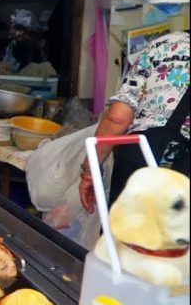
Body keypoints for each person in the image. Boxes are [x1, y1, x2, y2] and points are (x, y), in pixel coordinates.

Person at [80, 31, 189, 212]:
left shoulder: (165, 44)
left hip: (141, 158)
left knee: (125, 236)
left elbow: (118, 117)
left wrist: (90, 171)